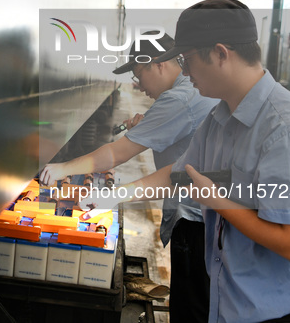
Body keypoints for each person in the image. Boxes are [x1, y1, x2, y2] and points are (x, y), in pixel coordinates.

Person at [82, 0, 290, 322]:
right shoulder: (219, 118)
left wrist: (215, 200)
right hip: (229, 303)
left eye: (186, 61)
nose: (185, 73)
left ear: (220, 53)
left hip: (283, 313)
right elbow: (177, 175)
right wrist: (110, 197)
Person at [40, 32, 218, 322]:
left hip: (198, 220)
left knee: (192, 308)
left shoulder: (179, 98)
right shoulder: (186, 92)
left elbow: (117, 154)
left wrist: (61, 169)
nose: (138, 84)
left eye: (138, 74)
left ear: (158, 63)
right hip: (206, 215)